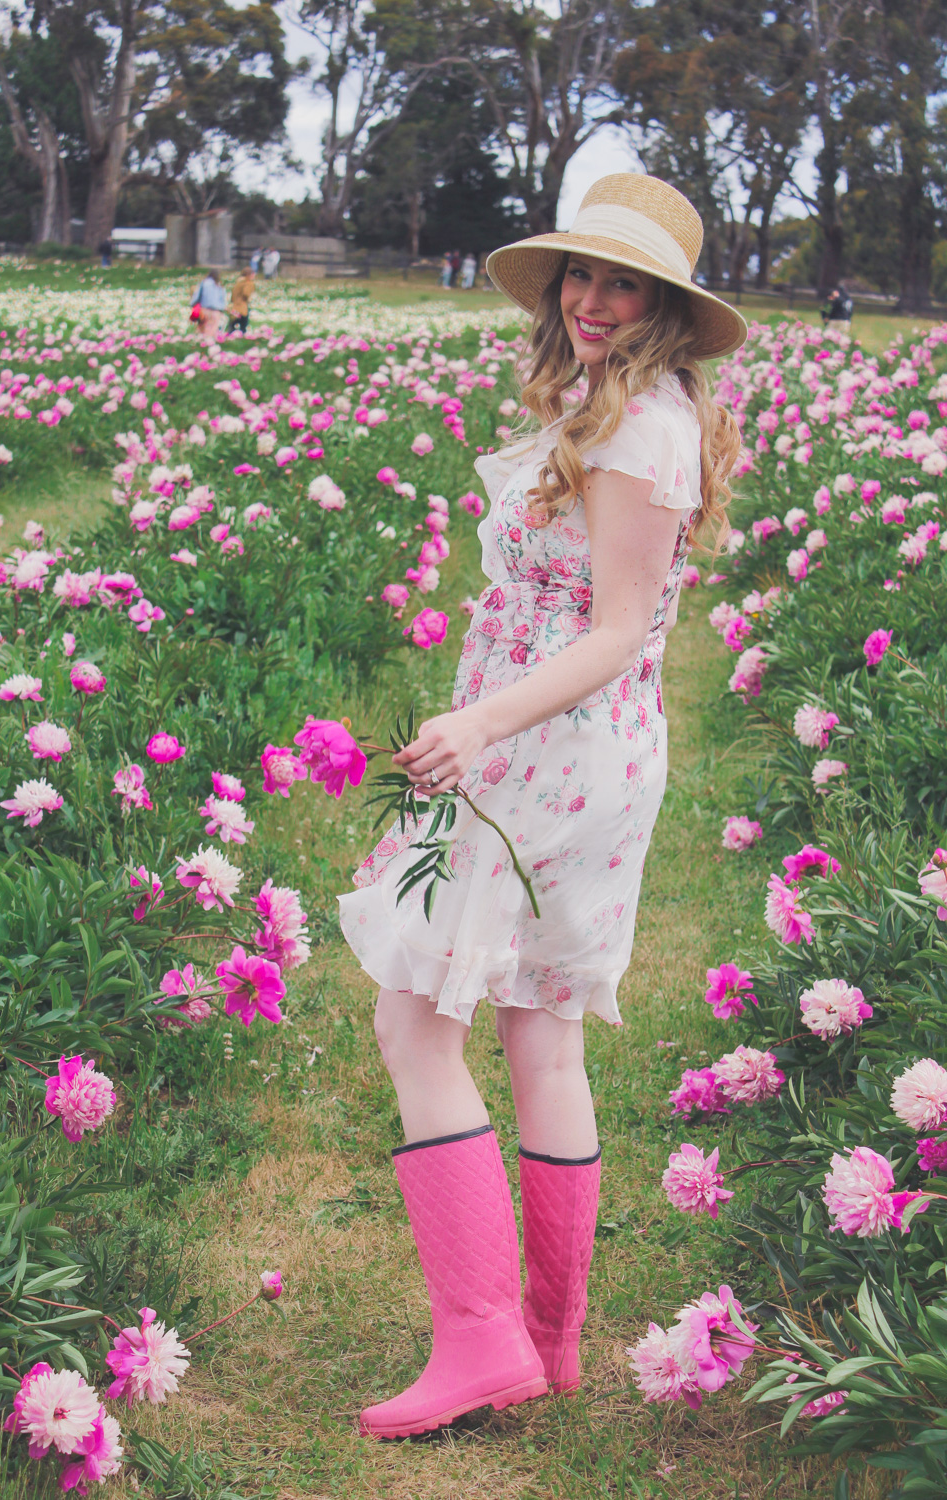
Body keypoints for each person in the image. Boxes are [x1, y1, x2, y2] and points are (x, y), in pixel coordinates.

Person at [338, 173, 747, 1441]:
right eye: (581, 274)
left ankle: (479, 1342)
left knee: (416, 1023)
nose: (591, 299)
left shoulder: (638, 428)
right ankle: (549, 1339)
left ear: (666, 306)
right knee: (540, 1031)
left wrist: (477, 722)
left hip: (547, 752)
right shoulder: (620, 407)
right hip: (580, 750)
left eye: (623, 282)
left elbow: (621, 630)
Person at [190, 269, 227, 336]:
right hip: (216, 312)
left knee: (201, 329)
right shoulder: (220, 285)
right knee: (211, 331)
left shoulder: (204, 283)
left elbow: (197, 296)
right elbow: (222, 300)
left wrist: (192, 305)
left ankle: (199, 344)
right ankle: (208, 343)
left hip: (204, 310)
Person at [227, 267, 256, 334]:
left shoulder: (238, 282)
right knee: (243, 326)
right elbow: (246, 294)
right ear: (249, 275)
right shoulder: (248, 283)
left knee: (232, 326)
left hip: (234, 307)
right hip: (242, 307)